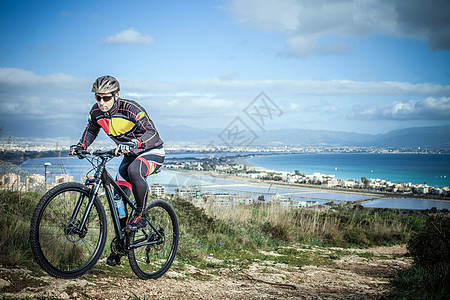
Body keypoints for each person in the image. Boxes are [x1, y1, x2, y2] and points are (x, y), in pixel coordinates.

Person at [71, 75, 165, 266]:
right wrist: (82, 145)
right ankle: (121, 246)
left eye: (106, 98)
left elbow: (152, 133)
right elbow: (91, 129)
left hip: (151, 150)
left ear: (116, 96)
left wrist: (135, 143)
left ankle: (141, 214)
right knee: (118, 200)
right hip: (129, 154)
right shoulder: (96, 112)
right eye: (98, 98)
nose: (102, 102)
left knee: (134, 171)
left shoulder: (131, 109)